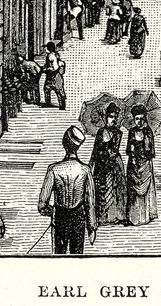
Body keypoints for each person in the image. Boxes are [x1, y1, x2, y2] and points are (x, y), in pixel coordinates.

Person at [38, 125, 97, 255]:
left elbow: (42, 205)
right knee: (77, 256)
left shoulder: (53, 169)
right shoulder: (85, 170)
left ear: (64, 144)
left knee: (59, 255)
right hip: (78, 219)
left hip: (60, 217)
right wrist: (92, 228)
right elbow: (90, 203)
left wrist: (53, 212)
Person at [89, 103, 127, 225]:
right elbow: (95, 150)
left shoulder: (118, 133)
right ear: (105, 117)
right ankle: (100, 216)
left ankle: (113, 216)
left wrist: (107, 150)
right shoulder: (100, 132)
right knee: (100, 188)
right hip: (101, 164)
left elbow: (114, 151)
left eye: (115, 117)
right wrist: (91, 165)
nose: (113, 119)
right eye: (111, 116)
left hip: (113, 164)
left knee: (114, 188)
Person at [125, 105, 157, 225]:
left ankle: (145, 216)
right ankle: (133, 217)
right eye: (137, 119)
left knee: (145, 190)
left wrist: (146, 144)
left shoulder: (148, 131)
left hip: (145, 165)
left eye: (141, 119)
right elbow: (128, 149)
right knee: (133, 190)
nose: (139, 121)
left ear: (145, 119)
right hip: (133, 164)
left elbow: (151, 152)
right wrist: (132, 150)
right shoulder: (132, 131)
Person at [42, 41, 66, 110]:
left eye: (46, 48)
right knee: (58, 90)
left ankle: (49, 103)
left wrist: (47, 69)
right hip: (55, 76)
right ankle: (61, 105)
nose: (45, 49)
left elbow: (55, 67)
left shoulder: (51, 56)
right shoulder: (54, 54)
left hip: (54, 76)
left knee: (53, 89)